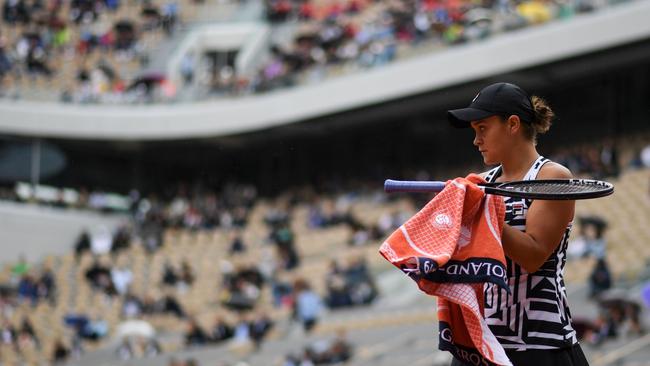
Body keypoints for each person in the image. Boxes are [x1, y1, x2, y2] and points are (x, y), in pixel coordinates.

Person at [447, 82, 589, 366]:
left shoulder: (552, 177)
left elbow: (533, 256)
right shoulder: (482, 182)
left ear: (512, 124)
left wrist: (482, 211)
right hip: (482, 342)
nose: (476, 140)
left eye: (482, 129)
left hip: (540, 343)